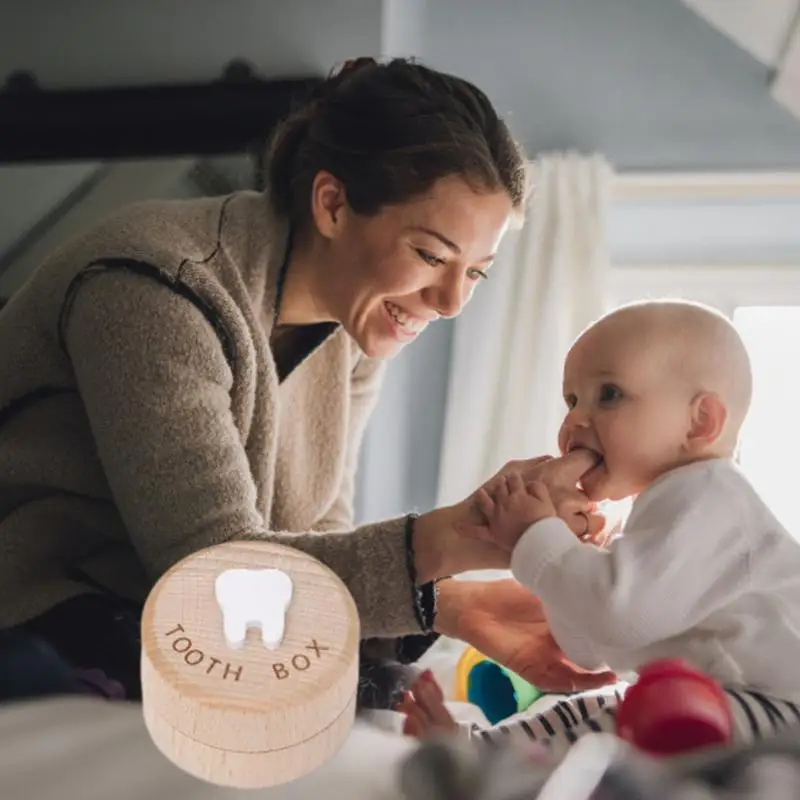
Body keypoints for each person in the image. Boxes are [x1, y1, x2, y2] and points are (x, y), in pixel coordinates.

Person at [0, 56, 613, 708]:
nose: (450, 301)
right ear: (332, 203)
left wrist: (449, 605)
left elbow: (312, 539)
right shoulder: (152, 289)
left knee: (380, 697)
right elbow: (214, 575)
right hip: (52, 612)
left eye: (476, 272)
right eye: (431, 255)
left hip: (167, 615)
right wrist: (467, 533)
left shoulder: (355, 332)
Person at [400, 299, 800, 756]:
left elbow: (622, 615)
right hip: (718, 699)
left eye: (608, 394)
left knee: (620, 725)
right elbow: (593, 646)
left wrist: (540, 540)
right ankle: (482, 753)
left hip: (779, 710)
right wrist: (573, 560)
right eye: (571, 401)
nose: (573, 421)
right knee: (594, 705)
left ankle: (499, 775)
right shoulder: (659, 510)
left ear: (700, 422)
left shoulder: (710, 497)